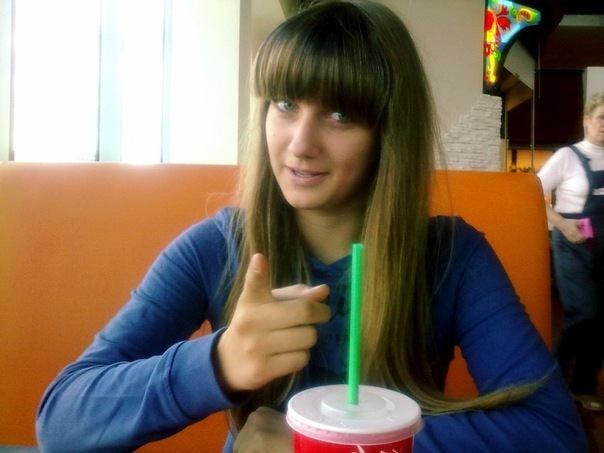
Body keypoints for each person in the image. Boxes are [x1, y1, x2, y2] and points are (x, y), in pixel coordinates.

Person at [37, 1, 587, 451]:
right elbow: (62, 420)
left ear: (388, 133)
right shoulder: (216, 248)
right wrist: (219, 363)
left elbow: (553, 435)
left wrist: (327, 444)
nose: (300, 144)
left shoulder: (452, 257)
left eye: (340, 115)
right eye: (285, 104)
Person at [538, 91, 604, 412]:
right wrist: (563, 224)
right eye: (601, 118)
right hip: (572, 244)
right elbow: (531, 195)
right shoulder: (567, 156)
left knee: (601, 320)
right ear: (586, 120)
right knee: (583, 313)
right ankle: (552, 385)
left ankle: (583, 387)